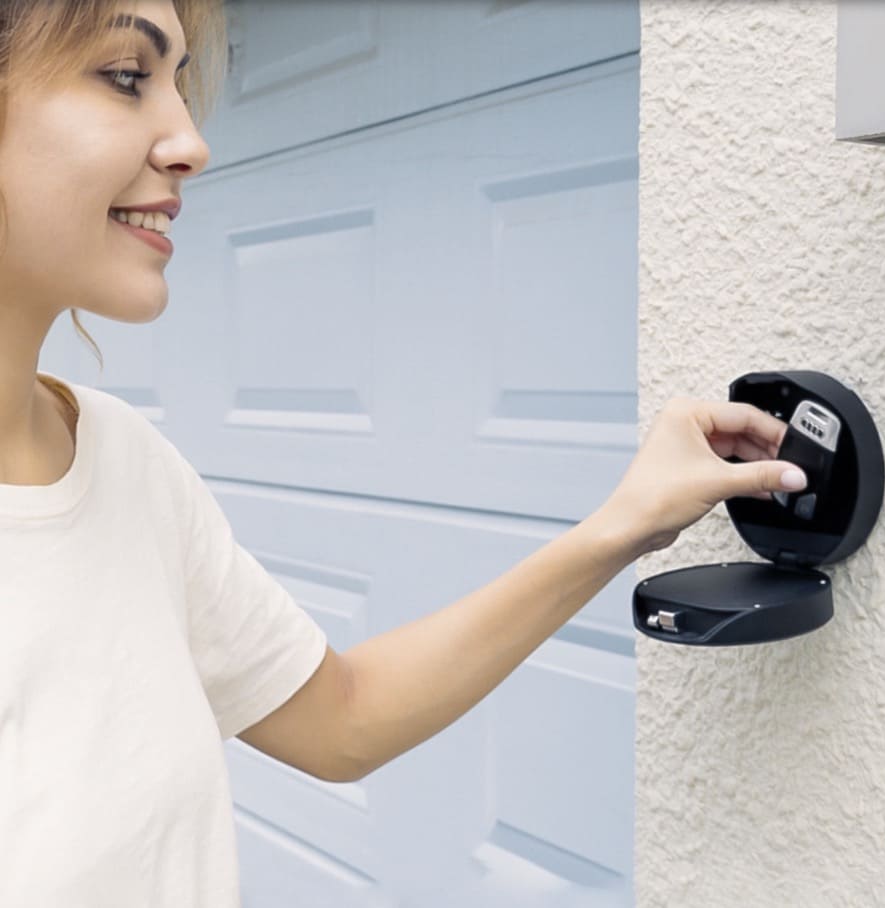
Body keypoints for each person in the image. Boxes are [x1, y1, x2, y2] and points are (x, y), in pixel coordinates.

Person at [0, 0, 809, 904]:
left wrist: (622, 526)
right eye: (124, 77)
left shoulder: (127, 466)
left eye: (178, 84)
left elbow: (341, 720)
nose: (190, 141)